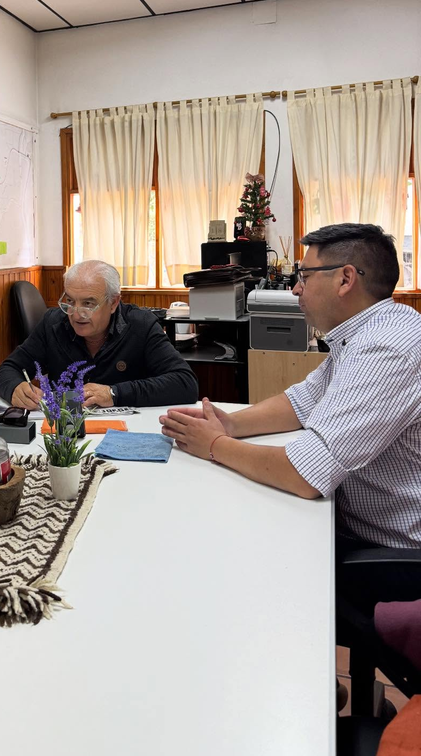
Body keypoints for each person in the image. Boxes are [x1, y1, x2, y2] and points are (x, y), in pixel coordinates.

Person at [160, 223, 421, 548]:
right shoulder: (367, 332)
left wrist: (215, 445)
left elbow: (305, 474)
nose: (296, 289)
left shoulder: (386, 349)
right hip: (351, 522)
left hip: (389, 551)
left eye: (305, 276)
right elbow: (302, 401)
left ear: (345, 279)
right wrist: (230, 424)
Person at [0, 259, 198, 409]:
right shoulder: (53, 323)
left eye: (88, 304)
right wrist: (14, 387)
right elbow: (8, 368)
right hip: (66, 437)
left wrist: (114, 393)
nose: (76, 314)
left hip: (127, 432)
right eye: (70, 301)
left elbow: (185, 383)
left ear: (114, 303)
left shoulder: (141, 325)